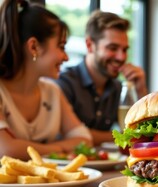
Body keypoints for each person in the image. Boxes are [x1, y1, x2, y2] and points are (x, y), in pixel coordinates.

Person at [0, 0, 92, 160]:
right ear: (34, 47)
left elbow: (85, 140)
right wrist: (60, 148)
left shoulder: (52, 91)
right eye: (61, 46)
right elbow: (6, 150)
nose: (66, 57)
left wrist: (34, 148)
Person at [57, 10, 148, 146]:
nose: (121, 57)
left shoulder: (118, 88)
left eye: (124, 50)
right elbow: (70, 134)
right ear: (89, 45)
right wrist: (123, 135)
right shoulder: (64, 83)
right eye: (112, 48)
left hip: (106, 165)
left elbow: (144, 132)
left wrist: (140, 90)